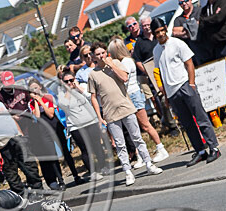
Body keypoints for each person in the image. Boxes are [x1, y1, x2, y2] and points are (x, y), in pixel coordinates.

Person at [88, 42, 164, 186]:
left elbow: (124, 78)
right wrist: (99, 117)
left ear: (106, 52)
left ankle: (148, 163)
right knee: (120, 144)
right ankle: (127, 172)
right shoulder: (92, 74)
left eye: (102, 53)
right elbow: (93, 97)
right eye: (97, 54)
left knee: (137, 137)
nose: (101, 56)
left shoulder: (116, 62)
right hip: (110, 113)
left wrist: (111, 65)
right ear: (93, 57)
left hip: (126, 107)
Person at [151, 18, 222, 166]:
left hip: (184, 85)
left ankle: (213, 147)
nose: (160, 34)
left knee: (201, 118)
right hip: (171, 92)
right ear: (154, 34)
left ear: (165, 28)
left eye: (162, 30)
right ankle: (200, 151)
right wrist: (166, 95)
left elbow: (189, 63)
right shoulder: (156, 50)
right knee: (187, 124)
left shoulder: (177, 43)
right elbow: (161, 72)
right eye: (157, 32)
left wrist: (191, 83)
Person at [0, 80, 43, 194]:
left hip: (16, 138)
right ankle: (21, 197)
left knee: (30, 166)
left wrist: (20, 133)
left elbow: (10, 118)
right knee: (11, 174)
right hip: (3, 145)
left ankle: (39, 191)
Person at [108, 38, 169, 163]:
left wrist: (112, 65)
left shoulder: (126, 62)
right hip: (128, 96)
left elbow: (123, 78)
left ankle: (161, 148)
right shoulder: (124, 61)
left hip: (133, 95)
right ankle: (141, 154)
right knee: (134, 128)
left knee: (145, 125)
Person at [58, 72, 107, 180]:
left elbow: (91, 97)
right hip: (76, 126)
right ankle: (93, 172)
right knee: (85, 149)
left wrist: (78, 88)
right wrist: (68, 91)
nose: (70, 83)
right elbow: (64, 105)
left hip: (91, 122)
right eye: (66, 81)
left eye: (71, 80)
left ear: (75, 79)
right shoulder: (62, 93)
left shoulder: (83, 87)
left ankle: (103, 167)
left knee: (97, 146)